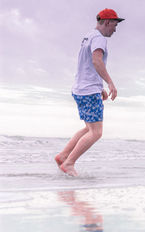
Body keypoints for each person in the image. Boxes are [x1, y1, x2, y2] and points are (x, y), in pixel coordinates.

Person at [55, 9, 125, 176]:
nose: (115, 29)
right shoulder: (99, 39)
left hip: (81, 88)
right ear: (107, 22)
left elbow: (87, 64)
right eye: (115, 24)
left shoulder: (89, 36)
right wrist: (109, 83)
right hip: (88, 91)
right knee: (96, 132)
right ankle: (69, 163)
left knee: (89, 128)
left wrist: (98, 86)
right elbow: (96, 60)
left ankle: (63, 156)